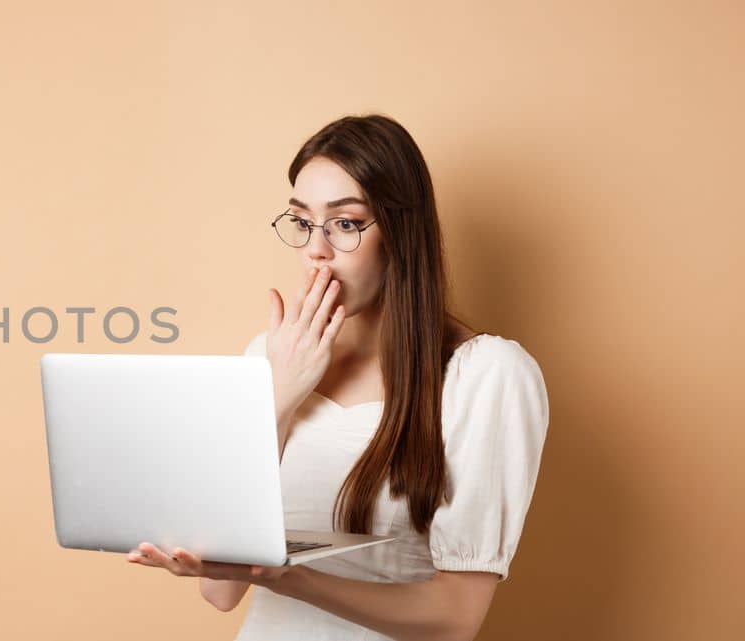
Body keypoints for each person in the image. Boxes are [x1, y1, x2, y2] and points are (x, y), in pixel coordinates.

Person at [126, 114, 550, 641]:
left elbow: (453, 620)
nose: (315, 250)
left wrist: (291, 579)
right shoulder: (270, 356)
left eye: (345, 224)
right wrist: (280, 397)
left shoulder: (486, 375)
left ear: (400, 233)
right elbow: (220, 592)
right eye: (302, 222)